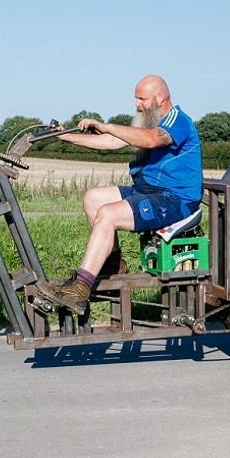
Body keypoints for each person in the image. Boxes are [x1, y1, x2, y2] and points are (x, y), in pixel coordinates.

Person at [35, 74, 203, 314]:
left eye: (142, 99)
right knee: (93, 198)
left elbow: (153, 140)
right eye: (136, 99)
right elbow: (111, 142)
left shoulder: (178, 121)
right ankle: (113, 266)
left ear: (160, 97)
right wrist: (65, 136)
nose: (137, 104)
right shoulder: (149, 122)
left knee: (108, 215)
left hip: (175, 200)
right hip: (149, 192)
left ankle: (80, 288)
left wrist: (107, 126)